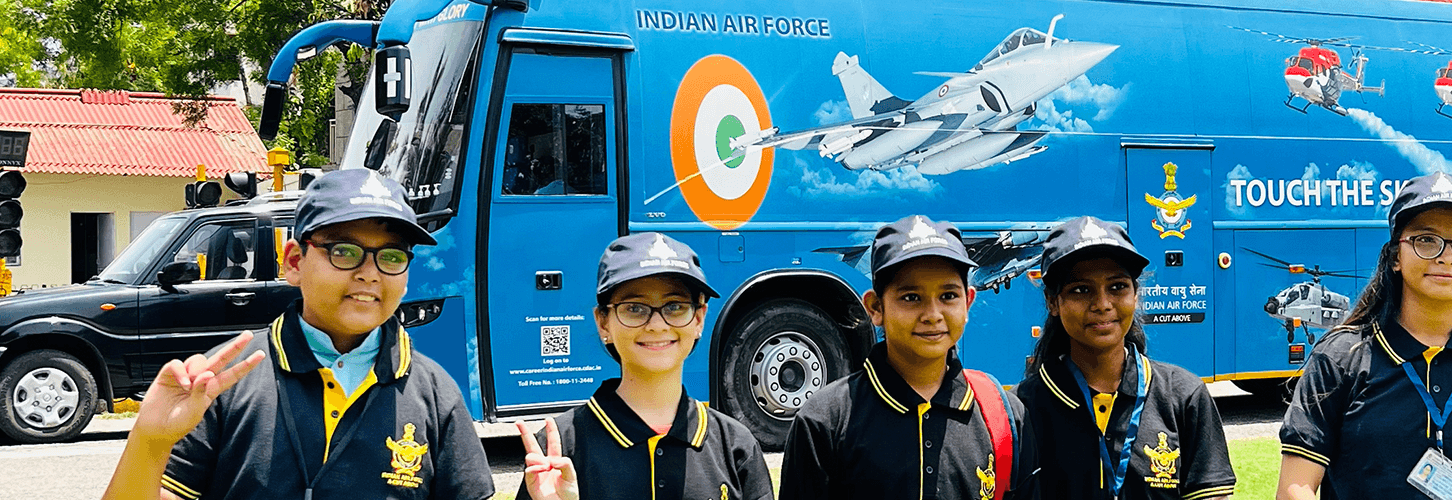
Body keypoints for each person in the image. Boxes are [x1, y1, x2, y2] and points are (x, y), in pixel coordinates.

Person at [102, 168, 494, 500]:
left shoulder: (435, 393)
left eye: (391, 256)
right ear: (294, 262)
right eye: (344, 251)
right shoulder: (222, 383)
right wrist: (149, 443)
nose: (370, 273)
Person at [1278, 172, 1452, 500]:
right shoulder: (1343, 355)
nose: (1446, 256)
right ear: (1396, 256)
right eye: (1426, 239)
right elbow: (1294, 488)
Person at [781, 215, 1038, 500]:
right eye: (911, 297)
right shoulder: (825, 421)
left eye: (948, 295)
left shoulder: (1004, 415)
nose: (932, 314)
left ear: (968, 303)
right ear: (875, 307)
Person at [514, 232, 773, 500]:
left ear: (699, 318)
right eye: (635, 308)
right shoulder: (560, 448)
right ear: (603, 322)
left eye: (675, 306)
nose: (657, 325)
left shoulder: (735, 446)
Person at [1016, 216, 1237, 500]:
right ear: (1052, 301)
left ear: (1135, 294)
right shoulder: (1024, 408)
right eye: (1081, 290)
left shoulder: (1183, 395)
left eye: (1117, 287)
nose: (1102, 304)